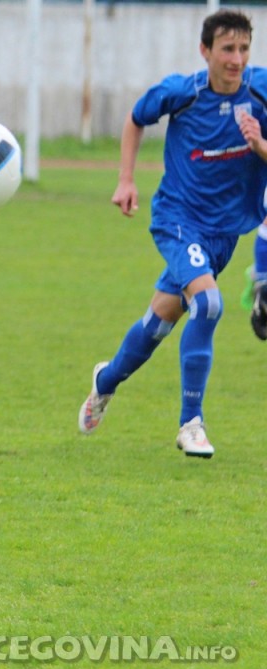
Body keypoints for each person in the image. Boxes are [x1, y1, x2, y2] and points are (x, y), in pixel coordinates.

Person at [79, 9, 267, 459]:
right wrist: (126, 179)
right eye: (227, 49)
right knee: (209, 303)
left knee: (159, 322)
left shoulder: (260, 91)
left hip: (225, 233)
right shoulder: (182, 92)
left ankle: (105, 382)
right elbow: (135, 118)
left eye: (243, 48)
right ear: (205, 51)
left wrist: (260, 145)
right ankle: (191, 424)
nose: (236, 59)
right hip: (177, 219)